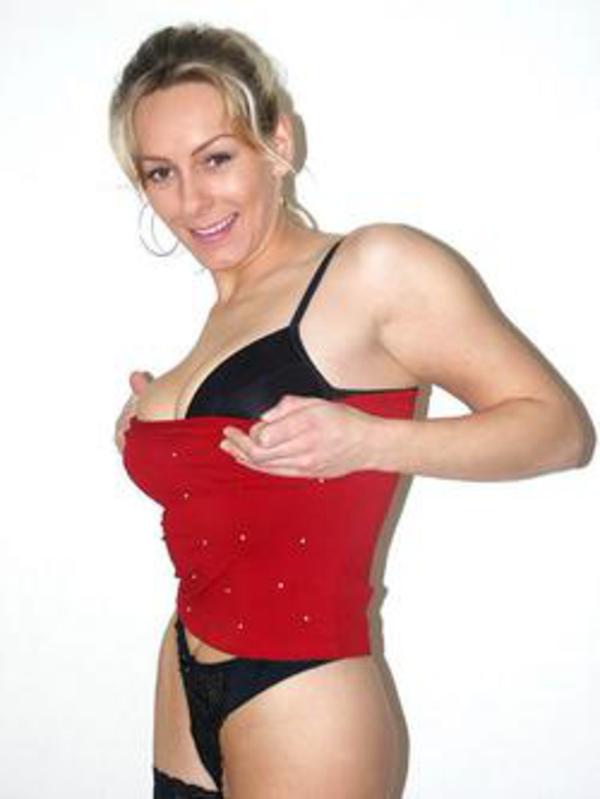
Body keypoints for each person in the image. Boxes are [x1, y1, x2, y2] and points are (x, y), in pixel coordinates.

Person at [109, 22, 594, 799]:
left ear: (278, 142)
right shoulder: (219, 315)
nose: (191, 200)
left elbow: (559, 430)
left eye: (217, 158)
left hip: (303, 695)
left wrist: (370, 440)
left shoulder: (374, 266)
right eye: (161, 173)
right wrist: (153, 430)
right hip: (182, 671)